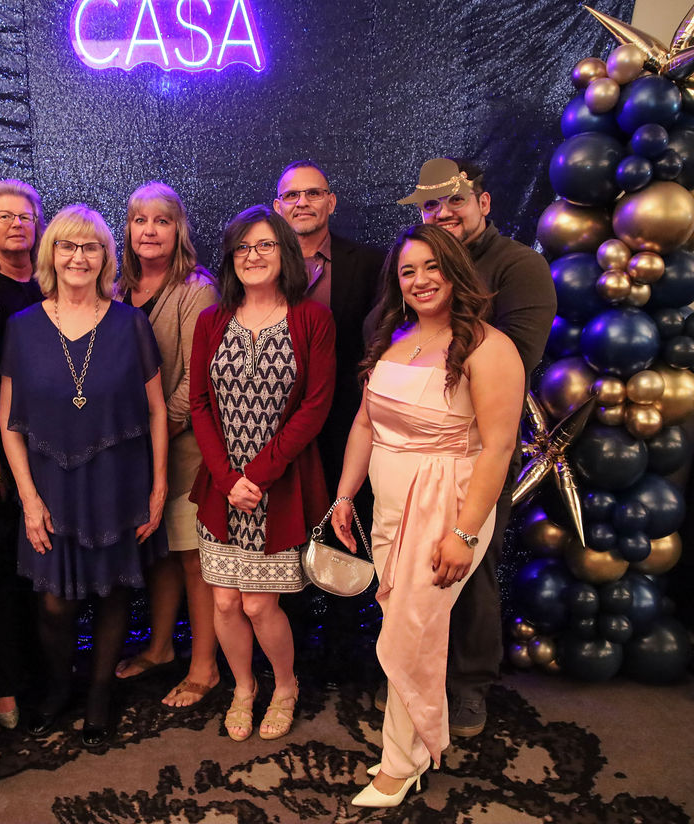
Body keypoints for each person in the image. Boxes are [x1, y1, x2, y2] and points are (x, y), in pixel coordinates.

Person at [331, 224, 523, 807]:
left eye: (432, 266)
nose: (420, 280)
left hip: (447, 505)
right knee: (402, 622)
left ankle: (400, 764)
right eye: (408, 270)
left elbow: (498, 448)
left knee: (410, 632)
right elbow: (365, 424)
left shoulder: (490, 347)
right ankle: (413, 749)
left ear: (455, 270)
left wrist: (464, 532)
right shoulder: (395, 337)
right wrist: (345, 496)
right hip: (389, 508)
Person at [386, 157, 556, 736]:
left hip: (475, 449)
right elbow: (385, 341)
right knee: (409, 566)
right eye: (431, 204)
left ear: (484, 202)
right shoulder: (414, 265)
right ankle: (414, 677)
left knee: (469, 564)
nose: (443, 212)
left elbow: (514, 360)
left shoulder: (519, 266)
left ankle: (469, 685)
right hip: (406, 450)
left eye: (455, 200)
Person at [0, 203, 168, 748]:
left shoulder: (130, 323)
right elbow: (8, 422)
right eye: (67, 246)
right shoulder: (22, 327)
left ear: (105, 257)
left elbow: (157, 411)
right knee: (54, 603)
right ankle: (58, 688)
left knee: (114, 593)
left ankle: (98, 695)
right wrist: (28, 498)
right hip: (49, 485)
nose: (78, 257)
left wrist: (159, 486)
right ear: (51, 254)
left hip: (119, 480)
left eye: (90, 247)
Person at [190, 205, 335, 742]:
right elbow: (199, 404)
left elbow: (315, 406)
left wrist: (259, 474)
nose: (252, 256)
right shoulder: (212, 320)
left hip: (279, 486)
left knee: (258, 602)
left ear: (285, 253)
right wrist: (228, 479)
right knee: (225, 600)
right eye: (242, 248)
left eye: (265, 245)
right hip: (223, 486)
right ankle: (243, 689)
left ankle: (286, 686)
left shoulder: (312, 319)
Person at [111, 182, 221, 708]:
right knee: (158, 553)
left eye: (162, 221)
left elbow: (197, 381)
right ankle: (159, 648)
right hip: (130, 453)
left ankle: (204, 666)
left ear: (179, 230)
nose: (150, 230)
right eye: (140, 220)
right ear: (128, 230)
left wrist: (155, 434)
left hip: (183, 447)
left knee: (192, 558)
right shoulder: (115, 289)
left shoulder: (196, 290)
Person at [0, 179, 46, 729]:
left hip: (54, 444)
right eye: (4, 215)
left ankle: (47, 673)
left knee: (45, 569)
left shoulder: (55, 282)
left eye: (25, 215)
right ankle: (3, 685)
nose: (16, 224)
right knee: (0, 568)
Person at [272, 160, 385, 493]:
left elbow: (381, 343)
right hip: (273, 425)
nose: (302, 202)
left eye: (313, 193)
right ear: (278, 207)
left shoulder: (370, 264)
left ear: (331, 202)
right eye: (291, 195)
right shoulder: (256, 265)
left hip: (346, 425)